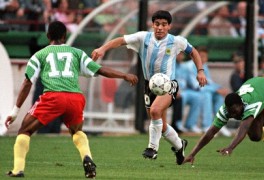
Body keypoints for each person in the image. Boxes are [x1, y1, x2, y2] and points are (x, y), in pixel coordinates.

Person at [5, 21, 138, 178]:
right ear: (65, 36)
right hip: (75, 98)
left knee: (25, 130)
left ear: (48, 36)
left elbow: (27, 82)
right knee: (76, 131)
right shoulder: (77, 53)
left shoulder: (39, 55)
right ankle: (87, 157)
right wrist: (123, 75)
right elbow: (100, 69)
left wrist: (15, 111)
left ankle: (18, 169)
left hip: (53, 97)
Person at [91, 10, 207, 165]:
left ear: (169, 26)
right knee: (162, 125)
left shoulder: (177, 41)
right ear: (153, 24)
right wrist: (102, 49)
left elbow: (193, 52)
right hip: (149, 86)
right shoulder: (143, 37)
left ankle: (152, 148)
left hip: (168, 84)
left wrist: (200, 71)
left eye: (164, 25)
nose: (160, 27)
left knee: (155, 111)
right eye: (157, 24)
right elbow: (120, 40)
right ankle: (180, 146)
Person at [183, 76, 264, 169]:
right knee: (255, 136)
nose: (233, 115)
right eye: (230, 112)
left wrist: (230, 147)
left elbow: (244, 128)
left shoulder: (250, 104)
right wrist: (192, 154)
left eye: (235, 112)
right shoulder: (225, 110)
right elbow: (210, 132)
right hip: (259, 92)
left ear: (241, 105)